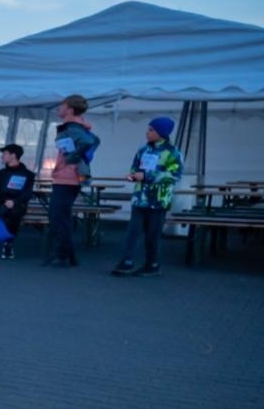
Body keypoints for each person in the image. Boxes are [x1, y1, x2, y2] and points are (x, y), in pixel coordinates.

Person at [111, 115, 184, 277]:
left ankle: (152, 264)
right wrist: (132, 175)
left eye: (151, 130)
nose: (147, 133)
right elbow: (135, 167)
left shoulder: (172, 152)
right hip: (140, 199)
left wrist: (148, 177)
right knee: (132, 232)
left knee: (152, 235)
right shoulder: (143, 149)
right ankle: (126, 262)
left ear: (161, 132)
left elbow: (175, 174)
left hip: (158, 201)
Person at [42, 94, 99, 267]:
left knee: (58, 217)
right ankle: (68, 255)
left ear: (70, 109)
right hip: (67, 177)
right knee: (62, 217)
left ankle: (63, 254)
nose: (59, 108)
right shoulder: (77, 126)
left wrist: (71, 158)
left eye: (62, 105)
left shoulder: (72, 127)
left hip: (67, 178)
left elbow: (89, 142)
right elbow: (94, 140)